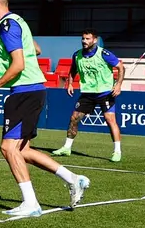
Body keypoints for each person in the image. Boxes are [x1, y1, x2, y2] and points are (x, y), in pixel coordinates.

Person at [0, 0, 90, 217]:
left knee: (8, 148)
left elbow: (18, 64)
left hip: (24, 92)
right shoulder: (18, 21)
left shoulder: (6, 25)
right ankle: (73, 178)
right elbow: (35, 50)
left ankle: (31, 203)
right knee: (23, 150)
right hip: (31, 90)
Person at [53, 28, 125, 162]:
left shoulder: (104, 54)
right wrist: (70, 83)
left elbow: (120, 67)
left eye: (88, 39)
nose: (84, 41)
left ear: (95, 40)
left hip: (105, 92)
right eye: (83, 39)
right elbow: (73, 70)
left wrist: (118, 84)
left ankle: (117, 151)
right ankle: (67, 148)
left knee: (110, 121)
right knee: (74, 118)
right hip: (87, 94)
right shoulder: (77, 55)